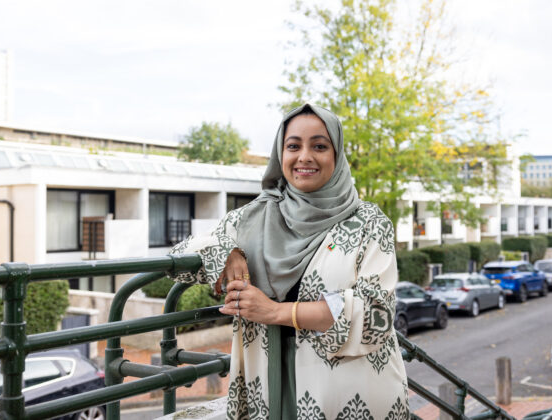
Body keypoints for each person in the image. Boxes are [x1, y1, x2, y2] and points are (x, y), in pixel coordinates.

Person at [170, 103, 409, 419]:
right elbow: (175, 260)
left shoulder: (368, 222)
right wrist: (224, 252)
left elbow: (377, 316)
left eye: (320, 146)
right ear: (279, 155)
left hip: (350, 394)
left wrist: (275, 311)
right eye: (293, 146)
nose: (305, 156)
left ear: (336, 156)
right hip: (268, 391)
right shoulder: (250, 220)